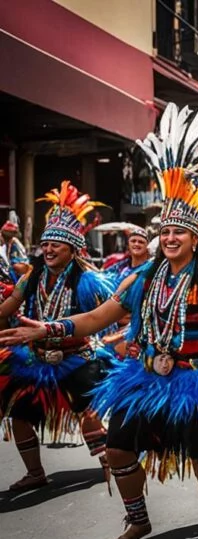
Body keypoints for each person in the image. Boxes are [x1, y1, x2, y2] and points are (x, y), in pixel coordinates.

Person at [0, 102, 198, 539]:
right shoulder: (141, 277)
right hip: (144, 379)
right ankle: (138, 519)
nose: (172, 238)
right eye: (166, 233)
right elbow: (98, 319)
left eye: (180, 233)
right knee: (119, 448)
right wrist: (48, 329)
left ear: (195, 238)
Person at [0, 182, 114, 490]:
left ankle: (112, 465)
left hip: (77, 358)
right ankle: (35, 472)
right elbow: (8, 307)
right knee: (19, 415)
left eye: (56, 245)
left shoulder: (89, 281)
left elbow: (112, 315)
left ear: (73, 249)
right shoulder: (31, 277)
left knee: (88, 414)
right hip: (36, 358)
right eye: (45, 244)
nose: (48, 250)